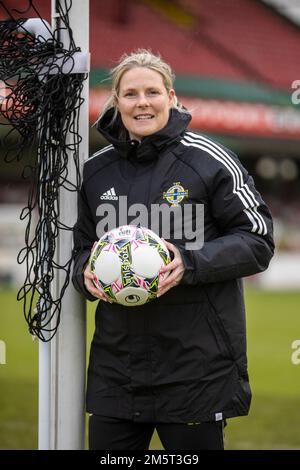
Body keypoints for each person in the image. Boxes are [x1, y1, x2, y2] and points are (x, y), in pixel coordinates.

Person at [72, 49, 274, 450]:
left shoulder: (209, 160)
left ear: (172, 97)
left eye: (152, 91)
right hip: (117, 370)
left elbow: (258, 239)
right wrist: (85, 274)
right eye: (130, 94)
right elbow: (80, 250)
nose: (142, 102)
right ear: (116, 101)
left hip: (196, 371)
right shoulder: (95, 171)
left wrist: (189, 261)